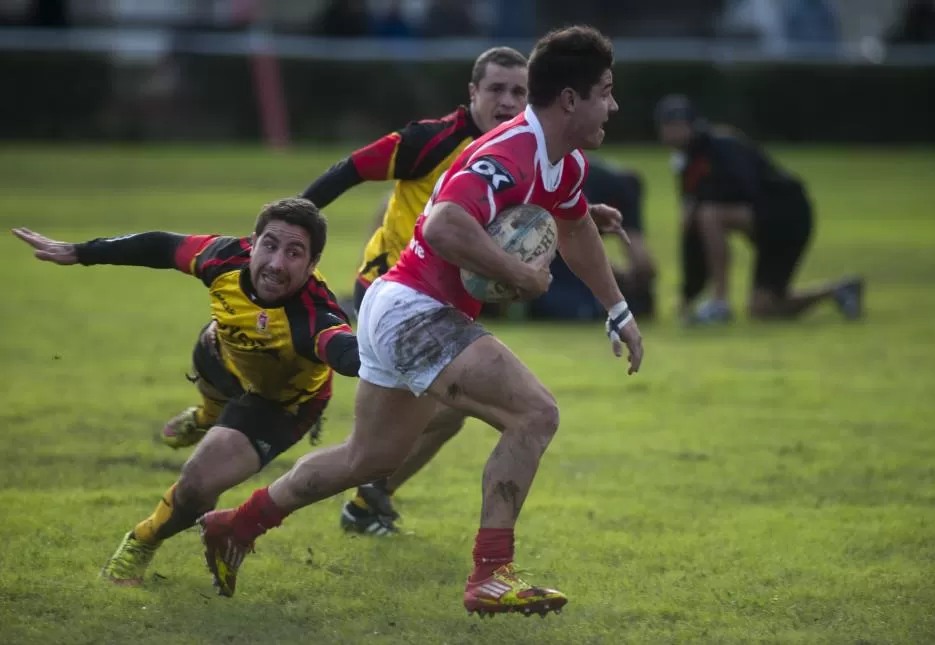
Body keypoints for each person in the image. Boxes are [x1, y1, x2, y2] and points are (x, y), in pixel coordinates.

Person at [197, 25, 644, 618]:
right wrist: (519, 271)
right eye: (605, 91)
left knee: (368, 459)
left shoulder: (562, 163)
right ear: (569, 98)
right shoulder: (506, 152)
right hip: (415, 310)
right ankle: (491, 573)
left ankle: (237, 525)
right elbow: (442, 226)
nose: (612, 104)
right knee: (535, 413)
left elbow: (577, 227)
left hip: (399, 306)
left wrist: (616, 309)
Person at [10, 198, 358, 585]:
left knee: (196, 485)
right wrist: (80, 252)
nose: (277, 264)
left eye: (294, 254)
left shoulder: (314, 315)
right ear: (252, 242)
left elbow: (343, 350)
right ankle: (206, 417)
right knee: (213, 344)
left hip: (278, 403)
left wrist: (385, 359)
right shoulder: (222, 257)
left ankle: (142, 539)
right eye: (270, 245)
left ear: (311, 266)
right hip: (222, 357)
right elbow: (160, 246)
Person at [298, 46, 529, 535]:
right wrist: (289, 223)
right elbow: (351, 168)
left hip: (441, 305)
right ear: (473, 93)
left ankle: (365, 499)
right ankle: (288, 503)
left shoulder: (517, 150)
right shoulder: (432, 139)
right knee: (439, 418)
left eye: (518, 91)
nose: (507, 101)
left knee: (446, 416)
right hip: (391, 291)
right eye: (496, 89)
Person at [654, 94, 864, 324]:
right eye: (666, 126)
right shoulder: (686, 162)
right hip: (767, 225)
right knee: (763, 308)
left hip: (788, 216)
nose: (670, 132)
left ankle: (720, 303)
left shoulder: (722, 145)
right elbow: (692, 237)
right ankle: (838, 290)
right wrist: (688, 295)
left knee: (708, 214)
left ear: (692, 125)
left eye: (675, 125)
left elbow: (745, 188)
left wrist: (699, 203)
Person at [528, 155, 657, 321]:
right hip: (549, 241)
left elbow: (642, 263)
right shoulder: (580, 186)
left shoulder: (622, 192)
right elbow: (570, 241)